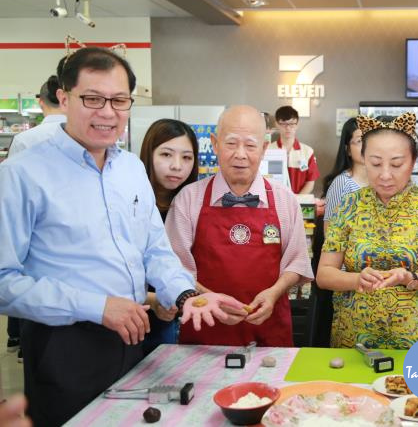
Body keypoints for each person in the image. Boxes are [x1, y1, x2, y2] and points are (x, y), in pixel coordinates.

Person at [0, 47, 242, 427]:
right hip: (63, 345)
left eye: (119, 100)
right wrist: (97, 306)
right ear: (64, 98)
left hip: (133, 336)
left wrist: (185, 295)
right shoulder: (22, 175)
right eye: (92, 99)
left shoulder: (129, 169)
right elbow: (4, 283)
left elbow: (155, 250)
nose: (108, 112)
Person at [166, 105, 314, 347]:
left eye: (250, 145)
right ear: (215, 144)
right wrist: (208, 297)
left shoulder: (285, 200)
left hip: (270, 333)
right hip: (205, 332)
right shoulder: (188, 199)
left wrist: (275, 292)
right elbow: (175, 268)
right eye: (231, 143)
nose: (240, 154)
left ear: (264, 148)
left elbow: (297, 262)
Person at [317, 113, 418, 349]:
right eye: (375, 163)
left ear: (413, 161)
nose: (384, 174)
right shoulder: (349, 205)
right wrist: (356, 279)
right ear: (362, 159)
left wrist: (409, 277)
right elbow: (324, 274)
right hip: (356, 338)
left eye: (396, 164)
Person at [6, 75, 67, 360]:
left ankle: (18, 341)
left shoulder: (24, 140)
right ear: (64, 97)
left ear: (41, 102)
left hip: (34, 248)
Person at [139, 119, 199, 354]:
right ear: (148, 154)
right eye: (166, 154)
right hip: (135, 317)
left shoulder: (192, 203)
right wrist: (153, 300)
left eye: (186, 157)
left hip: (183, 314)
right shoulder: (132, 202)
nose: (177, 166)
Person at [322, 117, 368, 233]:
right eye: (359, 141)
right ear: (348, 150)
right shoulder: (342, 184)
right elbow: (330, 234)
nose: (366, 146)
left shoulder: (381, 182)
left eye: (368, 139)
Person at [8, 74, 65, 156]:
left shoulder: (22, 140)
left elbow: (11, 168)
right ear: (65, 100)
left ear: (40, 102)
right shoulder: (84, 137)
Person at [268, 105, 319, 195]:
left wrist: (296, 200)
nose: (288, 128)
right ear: (276, 124)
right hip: (275, 201)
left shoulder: (307, 151)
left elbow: (310, 182)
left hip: (299, 202)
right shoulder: (268, 150)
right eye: (283, 124)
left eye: (291, 124)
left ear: (297, 125)